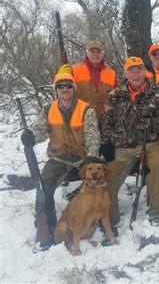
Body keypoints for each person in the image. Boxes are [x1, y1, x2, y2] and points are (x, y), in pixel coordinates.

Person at [20, 72, 100, 242]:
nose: (65, 89)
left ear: (74, 88)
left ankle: (93, 222)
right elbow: (39, 132)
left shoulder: (86, 109)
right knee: (43, 188)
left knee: (96, 184)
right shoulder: (48, 109)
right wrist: (31, 137)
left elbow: (93, 137)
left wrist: (91, 158)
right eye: (61, 86)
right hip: (58, 158)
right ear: (56, 90)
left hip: (82, 158)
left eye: (68, 86)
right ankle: (46, 226)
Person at [100, 56, 159, 228]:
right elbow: (106, 120)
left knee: (157, 166)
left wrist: (152, 123)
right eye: (131, 70)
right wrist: (106, 143)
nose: (136, 74)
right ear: (125, 73)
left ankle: (155, 212)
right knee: (107, 179)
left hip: (149, 143)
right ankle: (111, 218)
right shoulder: (115, 94)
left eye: (139, 69)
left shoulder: (157, 93)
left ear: (144, 71)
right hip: (122, 146)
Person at [58, 40, 118, 119]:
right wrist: (61, 75)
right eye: (92, 51)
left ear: (103, 53)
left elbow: (117, 100)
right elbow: (60, 90)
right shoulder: (74, 70)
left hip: (105, 122)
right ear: (87, 53)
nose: (95, 54)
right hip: (81, 121)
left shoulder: (111, 74)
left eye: (98, 51)